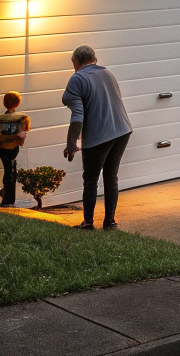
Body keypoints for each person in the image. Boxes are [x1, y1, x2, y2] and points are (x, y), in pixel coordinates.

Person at [62, 45, 133, 230]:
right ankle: (109, 222)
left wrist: (71, 145)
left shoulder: (77, 79)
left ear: (76, 62)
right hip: (122, 130)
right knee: (111, 176)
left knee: (91, 179)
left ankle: (88, 222)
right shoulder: (107, 73)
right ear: (95, 59)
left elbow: (78, 115)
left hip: (100, 135)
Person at [0, 90, 30, 207]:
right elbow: (22, 136)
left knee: (8, 173)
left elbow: (1, 136)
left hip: (3, 148)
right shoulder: (21, 120)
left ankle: (7, 199)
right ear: (17, 103)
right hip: (13, 148)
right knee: (10, 172)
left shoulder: (3, 120)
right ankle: (8, 197)